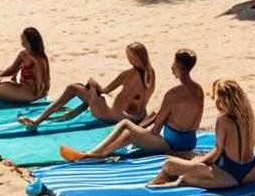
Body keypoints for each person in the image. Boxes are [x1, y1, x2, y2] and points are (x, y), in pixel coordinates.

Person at [59, 48, 203, 161]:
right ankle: (102, 153)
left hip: (172, 143)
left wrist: (144, 137)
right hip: (190, 142)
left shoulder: (173, 93)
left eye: (173, 63)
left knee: (125, 125)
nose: (171, 67)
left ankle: (93, 153)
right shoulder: (199, 90)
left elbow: (157, 126)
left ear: (179, 66)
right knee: (130, 134)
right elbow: (196, 124)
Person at [147, 79, 255, 190]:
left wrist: (194, 164)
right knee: (195, 162)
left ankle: (156, 183)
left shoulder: (223, 119)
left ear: (222, 100)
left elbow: (217, 151)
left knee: (170, 165)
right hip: (252, 172)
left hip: (230, 176)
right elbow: (252, 143)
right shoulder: (248, 116)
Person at [19, 42, 155, 131]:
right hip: (138, 116)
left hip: (114, 116)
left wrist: (91, 81)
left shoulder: (128, 74)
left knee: (74, 87)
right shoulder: (151, 73)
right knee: (102, 95)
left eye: (128, 55)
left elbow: (104, 90)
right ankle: (70, 113)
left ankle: (38, 120)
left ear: (133, 57)